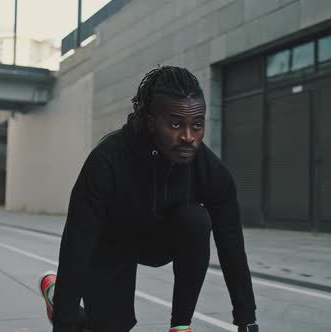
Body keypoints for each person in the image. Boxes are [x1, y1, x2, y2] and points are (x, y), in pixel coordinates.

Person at [39, 66, 259, 332]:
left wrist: (247, 320)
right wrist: (65, 320)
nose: (188, 137)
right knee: (103, 326)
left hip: (161, 238)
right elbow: (77, 245)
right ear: (152, 121)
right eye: (176, 124)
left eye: (197, 125)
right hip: (112, 241)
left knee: (197, 220)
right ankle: (57, 296)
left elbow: (231, 245)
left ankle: (180, 326)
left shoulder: (209, 169)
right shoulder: (107, 161)